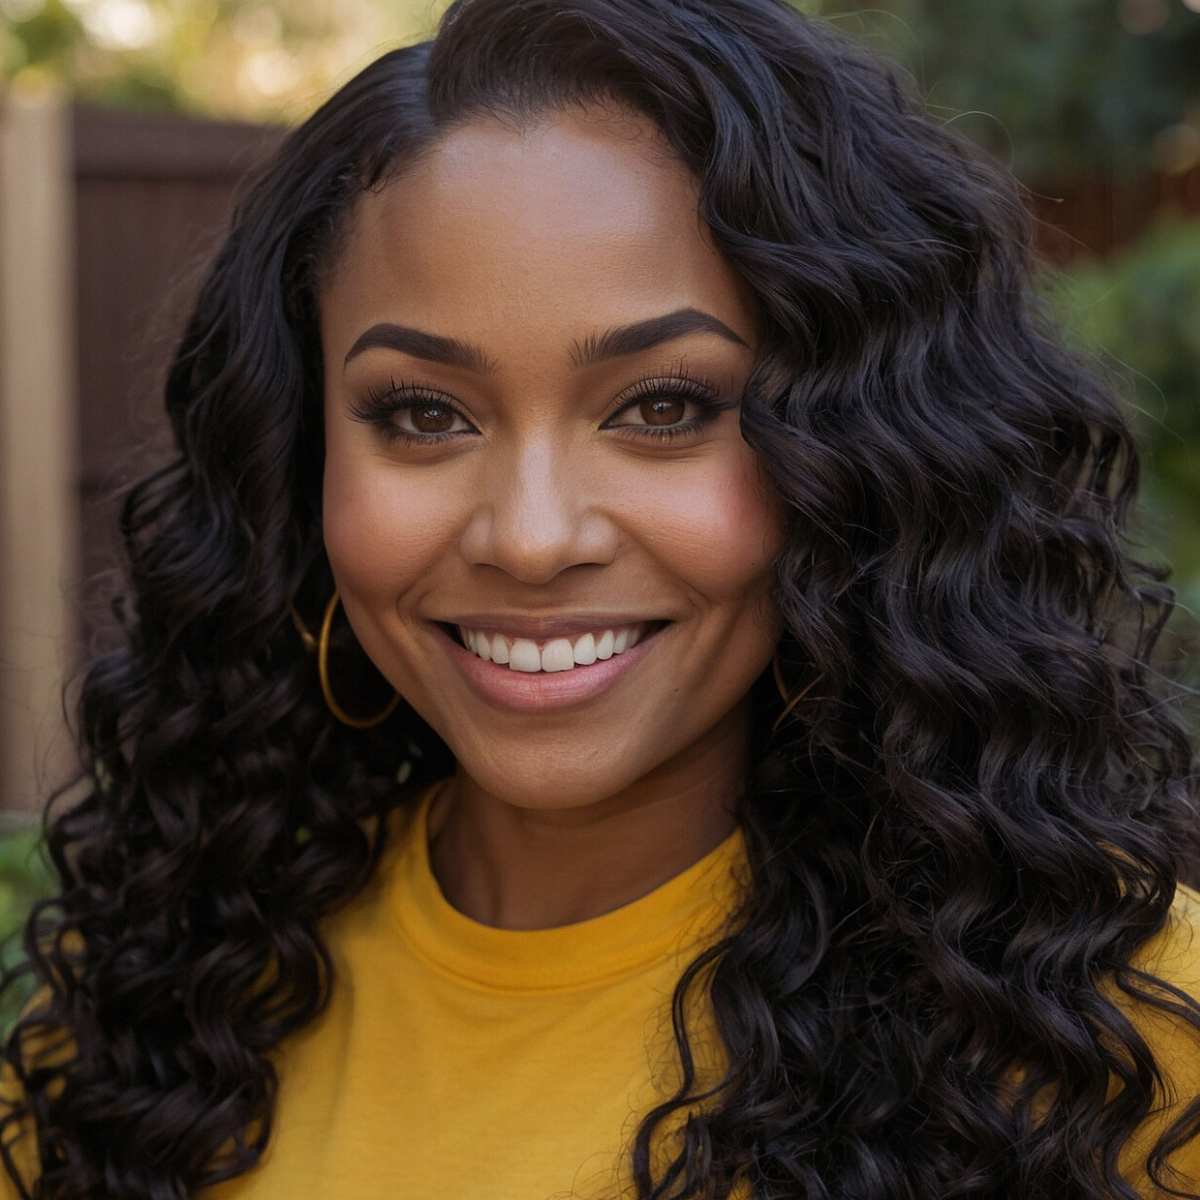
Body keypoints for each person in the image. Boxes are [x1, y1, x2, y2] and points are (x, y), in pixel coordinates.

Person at [2, 0, 1199, 1196]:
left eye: (664, 409)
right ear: (298, 461)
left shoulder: (1120, 1040)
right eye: (423, 414)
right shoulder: (140, 1031)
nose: (531, 539)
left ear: (872, 456)